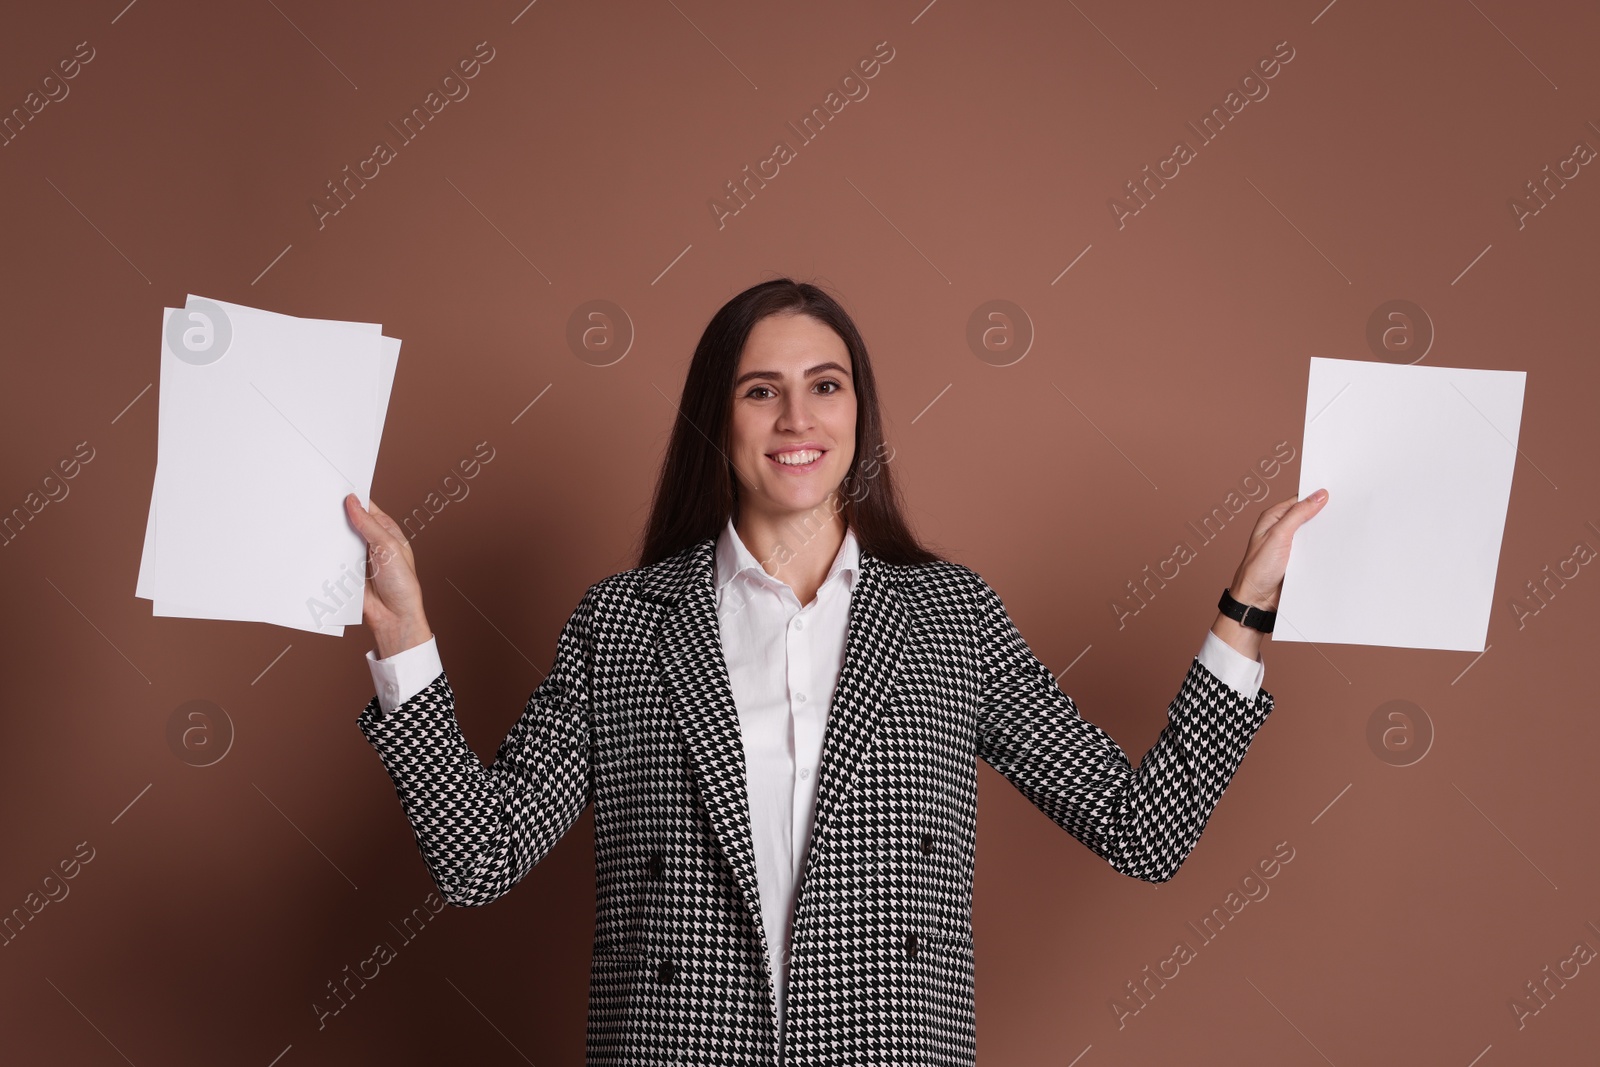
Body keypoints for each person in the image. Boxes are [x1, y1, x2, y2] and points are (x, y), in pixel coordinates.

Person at [344, 277, 1328, 1066]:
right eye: (759, 388)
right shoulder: (623, 624)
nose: (795, 416)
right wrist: (405, 637)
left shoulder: (951, 617)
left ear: (860, 410)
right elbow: (482, 857)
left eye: (826, 382)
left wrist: (1244, 607)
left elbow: (1141, 828)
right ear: (716, 418)